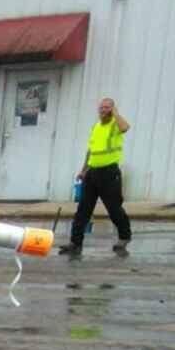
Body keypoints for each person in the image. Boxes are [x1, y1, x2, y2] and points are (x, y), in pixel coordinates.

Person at [63, 97, 132, 260]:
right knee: (83, 210)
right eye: (101, 108)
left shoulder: (116, 124)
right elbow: (91, 150)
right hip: (92, 173)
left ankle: (124, 236)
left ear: (113, 108)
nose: (103, 110)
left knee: (114, 209)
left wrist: (115, 113)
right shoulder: (96, 127)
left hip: (109, 173)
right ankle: (75, 243)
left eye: (107, 107)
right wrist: (84, 169)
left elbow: (125, 127)